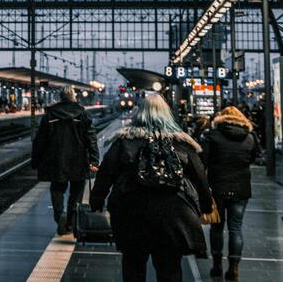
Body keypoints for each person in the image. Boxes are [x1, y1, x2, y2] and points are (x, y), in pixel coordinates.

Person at [90, 94, 213, 282]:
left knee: (133, 265)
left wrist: (97, 201)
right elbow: (200, 177)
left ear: (140, 113)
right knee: (170, 267)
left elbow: (106, 174)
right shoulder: (182, 143)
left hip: (131, 212)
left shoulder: (125, 141)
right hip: (173, 214)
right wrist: (206, 206)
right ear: (167, 114)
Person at [31, 86, 100, 235]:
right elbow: (91, 138)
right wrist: (94, 161)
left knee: (57, 189)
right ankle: (71, 221)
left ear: (61, 97)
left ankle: (60, 216)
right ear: (73, 97)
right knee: (76, 193)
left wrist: (35, 161)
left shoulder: (50, 114)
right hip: (78, 159)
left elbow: (40, 140)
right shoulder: (82, 113)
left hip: (56, 159)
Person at [202, 106, 258, 281]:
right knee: (236, 228)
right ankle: (234, 268)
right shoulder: (250, 137)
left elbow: (204, 160)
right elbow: (254, 158)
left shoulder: (213, 135)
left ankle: (217, 265)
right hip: (241, 188)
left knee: (217, 227)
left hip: (218, 187)